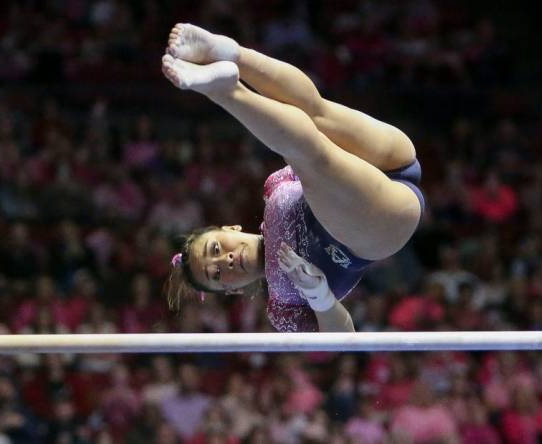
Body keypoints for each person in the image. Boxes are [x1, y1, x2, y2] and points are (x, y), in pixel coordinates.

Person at [163, 23, 425, 332]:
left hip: (392, 159)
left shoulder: (274, 186)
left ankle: (226, 52)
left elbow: (302, 131)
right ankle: (225, 91)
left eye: (217, 249)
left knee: (315, 114)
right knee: (310, 155)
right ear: (231, 291)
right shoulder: (283, 308)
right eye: (217, 276)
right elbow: (344, 338)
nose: (227, 261)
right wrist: (318, 295)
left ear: (228, 228)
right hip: (384, 223)